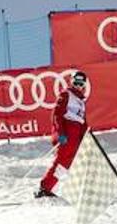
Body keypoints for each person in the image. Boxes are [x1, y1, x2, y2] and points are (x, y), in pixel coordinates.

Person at [35, 70, 89, 198]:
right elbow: (57, 115)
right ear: (71, 82)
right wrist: (60, 133)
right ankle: (45, 187)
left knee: (68, 164)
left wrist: (86, 135)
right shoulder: (66, 94)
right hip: (67, 135)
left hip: (76, 137)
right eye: (76, 82)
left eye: (81, 84)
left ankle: (80, 189)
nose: (78, 86)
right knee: (61, 161)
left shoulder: (80, 101)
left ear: (84, 85)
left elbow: (82, 121)